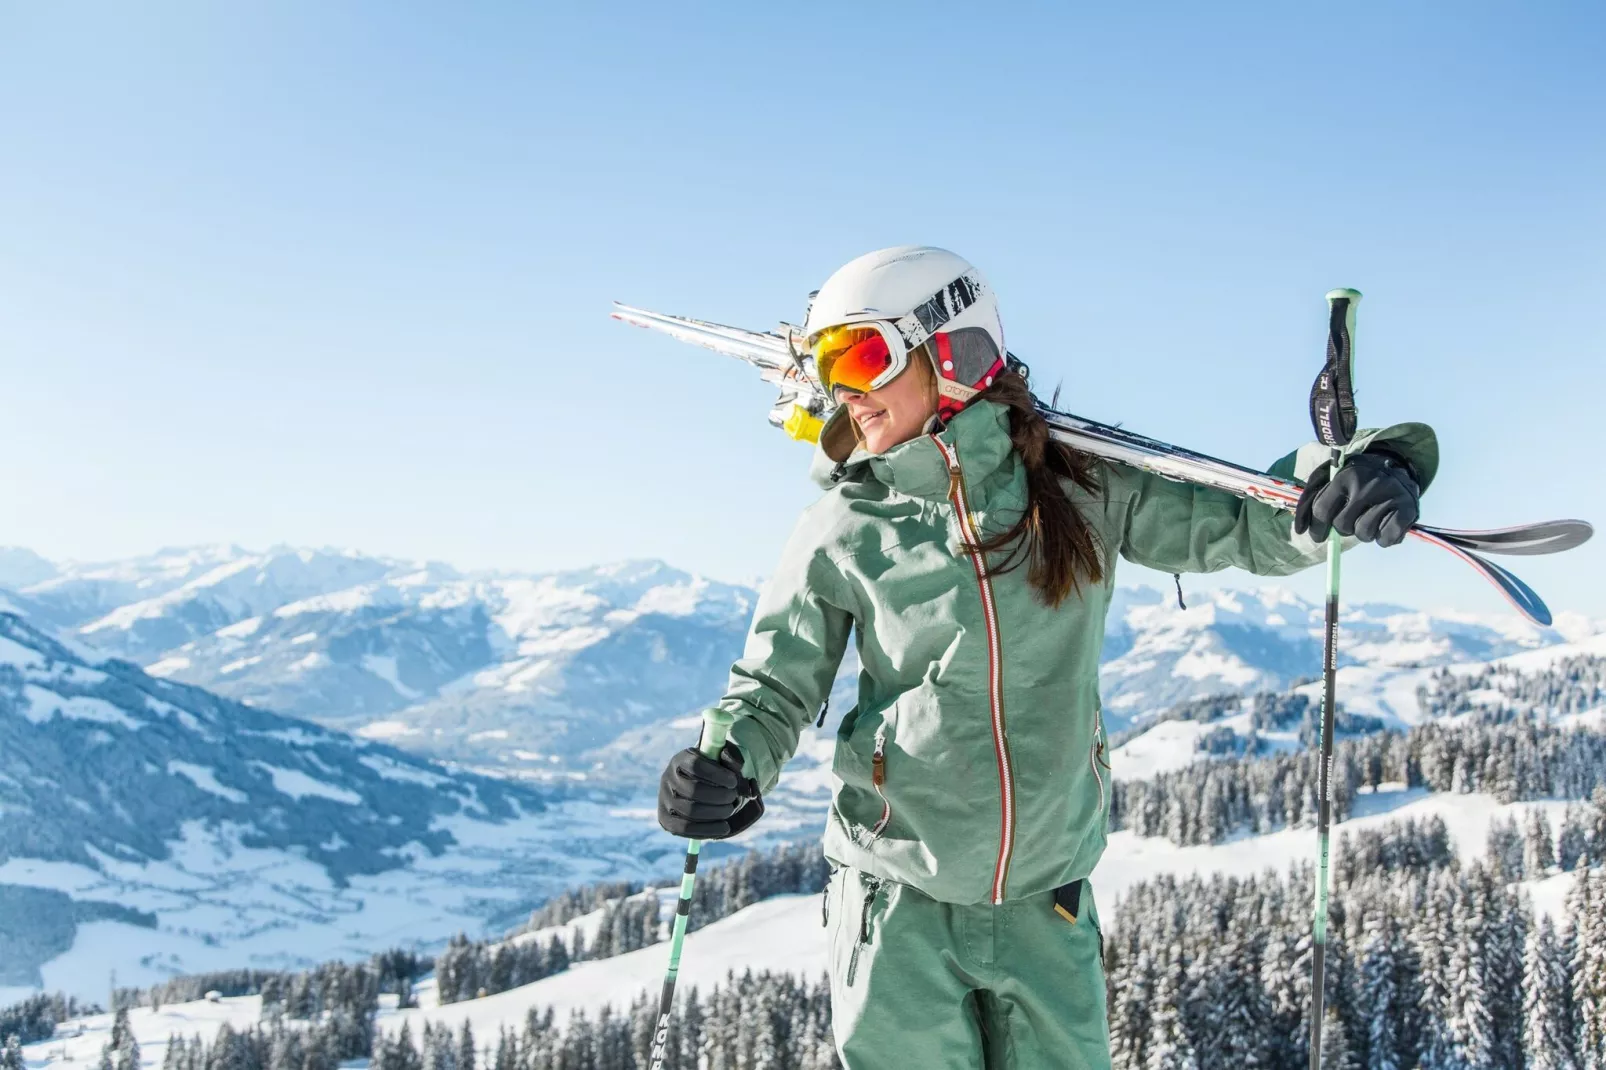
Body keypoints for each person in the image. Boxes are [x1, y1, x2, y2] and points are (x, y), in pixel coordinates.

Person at [656, 246, 1434, 1069]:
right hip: (897, 906)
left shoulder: (1078, 489)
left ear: (952, 352)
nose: (843, 390)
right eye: (826, 366)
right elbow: (775, 683)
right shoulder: (848, 524)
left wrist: (1355, 478)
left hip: (1047, 904)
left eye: (862, 356)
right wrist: (729, 761)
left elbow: (1244, 522)